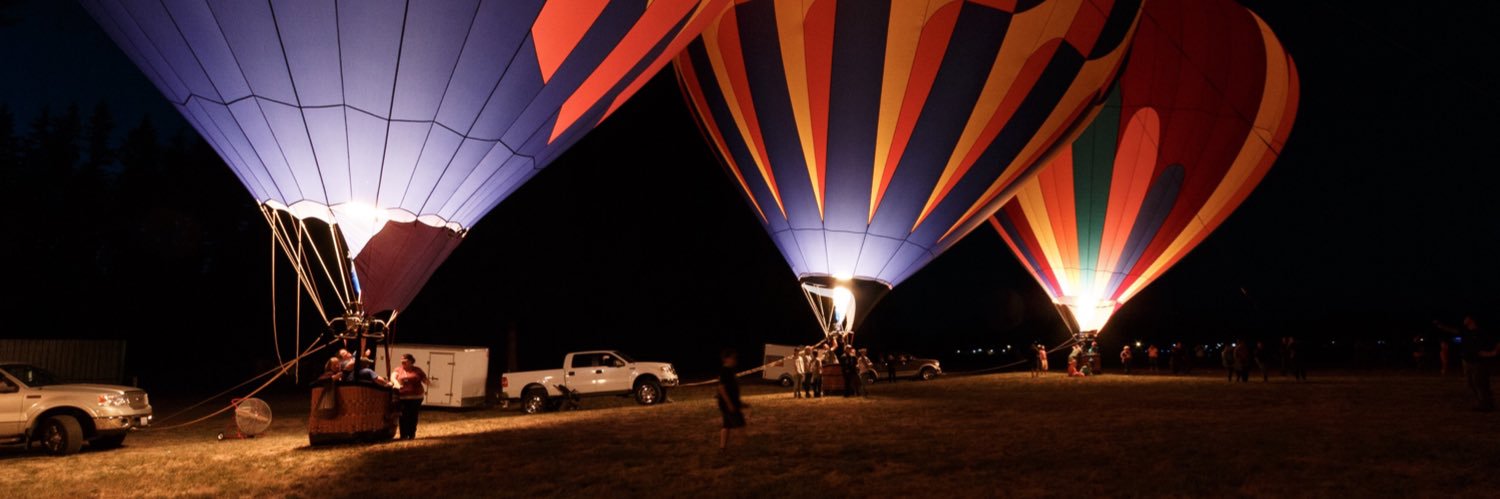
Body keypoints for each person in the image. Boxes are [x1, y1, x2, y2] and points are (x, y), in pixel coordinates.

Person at [1436, 316, 1499, 411]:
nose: (1464, 320)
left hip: (1479, 362)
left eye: (1466, 318)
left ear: (1472, 320)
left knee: (1481, 384)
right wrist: (1440, 325)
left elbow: (1495, 342)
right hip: (1467, 361)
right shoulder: (1465, 332)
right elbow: (1452, 330)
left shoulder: (1481, 333)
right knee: (1471, 383)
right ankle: (1481, 402)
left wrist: (1493, 353)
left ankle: (1486, 404)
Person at [392, 353, 429, 440]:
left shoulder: (417, 370)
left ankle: (412, 434)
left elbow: (424, 380)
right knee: (403, 416)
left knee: (413, 416)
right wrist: (396, 383)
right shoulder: (398, 369)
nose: (402, 361)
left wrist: (429, 383)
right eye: (402, 360)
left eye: (405, 360)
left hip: (416, 398)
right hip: (403, 398)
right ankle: (403, 435)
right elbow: (393, 377)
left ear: (411, 361)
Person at [716, 349, 747, 450]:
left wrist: (740, 402)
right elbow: (721, 388)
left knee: (726, 425)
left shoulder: (729, 371)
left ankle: (722, 447)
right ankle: (743, 447)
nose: (735, 360)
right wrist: (729, 404)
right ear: (726, 359)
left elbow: (731, 389)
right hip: (728, 404)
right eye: (733, 358)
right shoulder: (725, 371)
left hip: (728, 403)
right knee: (740, 425)